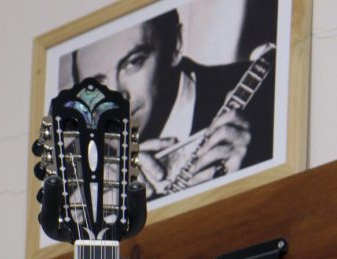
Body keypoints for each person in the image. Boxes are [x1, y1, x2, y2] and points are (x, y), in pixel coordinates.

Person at [70, 11, 275, 198]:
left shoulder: (270, 92)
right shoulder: (74, 174)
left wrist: (252, 174)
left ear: (176, 45)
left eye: (133, 63)